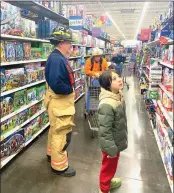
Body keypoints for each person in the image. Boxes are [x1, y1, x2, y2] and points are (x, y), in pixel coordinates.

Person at [44, 26, 76, 177]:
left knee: (54, 130)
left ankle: (51, 155)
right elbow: (57, 84)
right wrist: (70, 90)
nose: (71, 46)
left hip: (57, 103)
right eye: (69, 42)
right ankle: (59, 167)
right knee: (62, 134)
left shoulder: (56, 57)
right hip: (60, 103)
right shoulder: (57, 59)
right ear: (62, 42)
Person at [98, 70, 128, 193]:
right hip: (110, 145)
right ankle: (104, 188)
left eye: (118, 77)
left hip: (115, 141)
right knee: (107, 167)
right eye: (114, 79)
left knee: (112, 165)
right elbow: (104, 131)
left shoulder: (117, 95)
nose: (120, 79)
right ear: (107, 84)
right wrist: (111, 149)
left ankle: (108, 181)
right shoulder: (107, 103)